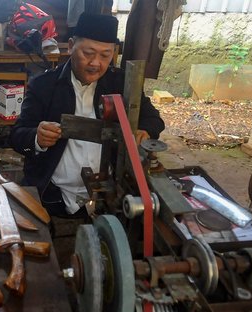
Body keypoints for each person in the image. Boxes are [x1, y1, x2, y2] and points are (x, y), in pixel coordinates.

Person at [9, 12, 165, 217]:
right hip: (53, 193)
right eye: (88, 53)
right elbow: (17, 136)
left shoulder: (122, 83)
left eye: (105, 55)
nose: (95, 63)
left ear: (114, 52)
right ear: (71, 45)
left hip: (108, 191)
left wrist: (144, 131)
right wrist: (37, 138)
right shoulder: (44, 86)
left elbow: (154, 119)